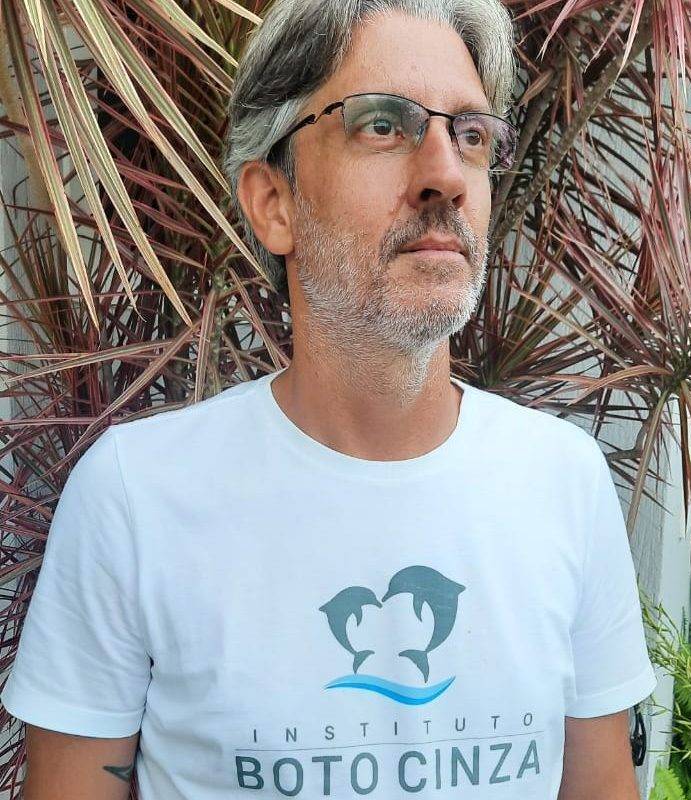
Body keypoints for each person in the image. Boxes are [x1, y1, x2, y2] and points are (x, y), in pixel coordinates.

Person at [1, 0, 657, 798]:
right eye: (382, 125)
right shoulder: (136, 498)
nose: (447, 174)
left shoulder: (564, 482)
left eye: (471, 135)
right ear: (274, 204)